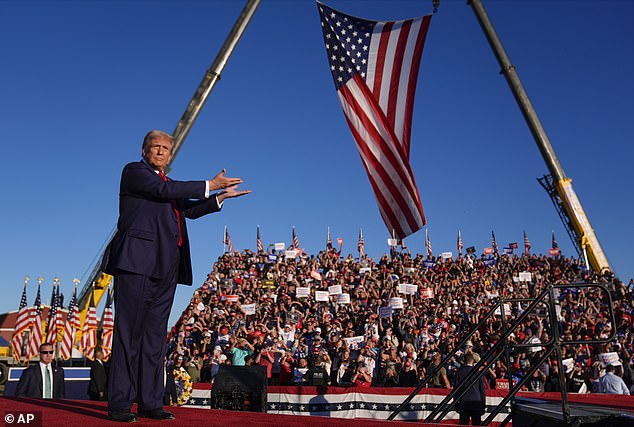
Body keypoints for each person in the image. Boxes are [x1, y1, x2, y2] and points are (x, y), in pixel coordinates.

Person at [103, 130, 250, 422]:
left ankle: (150, 402)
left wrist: (218, 197)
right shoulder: (134, 172)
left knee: (155, 339)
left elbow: (188, 209)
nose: (160, 151)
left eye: (165, 149)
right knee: (127, 335)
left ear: (170, 156)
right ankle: (120, 404)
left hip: (167, 268)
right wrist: (208, 184)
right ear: (144, 151)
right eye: (154, 147)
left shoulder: (169, 184)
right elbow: (165, 193)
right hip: (136, 264)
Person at [453, 353, 486, 426]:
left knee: (464, 424)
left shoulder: (459, 372)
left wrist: (456, 404)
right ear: (473, 361)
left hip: (463, 402)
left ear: (464, 360)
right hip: (476, 402)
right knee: (476, 424)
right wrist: (483, 404)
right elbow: (482, 390)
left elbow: (455, 390)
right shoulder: (477, 372)